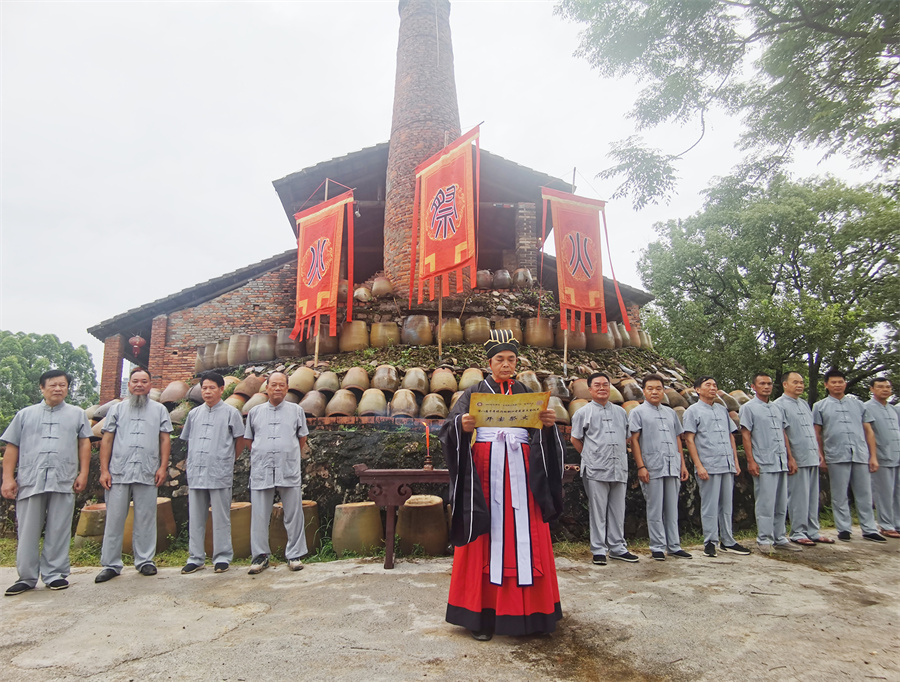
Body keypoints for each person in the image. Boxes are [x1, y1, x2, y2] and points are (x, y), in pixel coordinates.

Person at [441, 329, 565, 641]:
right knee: (486, 534)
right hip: (485, 473)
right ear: (489, 363)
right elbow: (447, 428)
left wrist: (548, 426)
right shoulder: (472, 394)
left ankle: (532, 615)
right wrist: (462, 425)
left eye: (511, 359)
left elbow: (539, 434)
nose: (506, 364)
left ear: (517, 362)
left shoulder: (527, 393)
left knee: (527, 532)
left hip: (523, 473)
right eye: (500, 359)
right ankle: (479, 615)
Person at [1, 370, 92, 596]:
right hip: (30, 479)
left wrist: (83, 473)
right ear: (42, 388)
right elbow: (12, 447)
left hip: (64, 478)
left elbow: (84, 445)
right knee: (28, 529)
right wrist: (8, 478)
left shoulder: (77, 414)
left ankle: (55, 574)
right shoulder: (25, 414)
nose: (58, 389)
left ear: (68, 389)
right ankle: (27, 577)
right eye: (53, 385)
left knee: (59, 528)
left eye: (62, 385)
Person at [95, 367, 173, 583]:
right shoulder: (117, 409)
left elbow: (165, 439)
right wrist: (104, 470)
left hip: (148, 471)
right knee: (114, 518)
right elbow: (107, 440)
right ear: (129, 385)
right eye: (135, 381)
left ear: (150, 385)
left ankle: (145, 561)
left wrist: (162, 467)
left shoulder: (159, 410)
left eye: (144, 381)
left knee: (146, 517)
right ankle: (110, 564)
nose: (139, 385)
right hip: (118, 471)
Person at [179, 372, 245, 574]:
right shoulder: (194, 414)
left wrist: (228, 460)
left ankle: (222, 557)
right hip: (197, 472)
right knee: (196, 516)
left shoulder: (231, 413)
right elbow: (189, 439)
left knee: (221, 516)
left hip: (219, 471)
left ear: (221, 389)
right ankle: (196, 557)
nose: (207, 391)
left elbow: (240, 440)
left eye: (212, 388)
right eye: (204, 388)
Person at [244, 371, 309, 575]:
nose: (278, 388)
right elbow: (248, 440)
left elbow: (302, 438)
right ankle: (260, 556)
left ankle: (295, 554)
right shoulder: (255, 412)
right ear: (267, 387)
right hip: (262, 467)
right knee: (260, 514)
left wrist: (287, 451)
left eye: (282, 385)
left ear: (287, 388)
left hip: (287, 466)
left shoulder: (296, 410)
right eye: (274, 385)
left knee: (293, 512)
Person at [571, 371, 637, 566]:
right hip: (595, 468)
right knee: (598, 510)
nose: (602, 388)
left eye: (605, 385)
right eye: (597, 385)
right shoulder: (583, 412)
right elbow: (575, 438)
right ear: (590, 389)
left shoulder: (620, 412)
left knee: (618, 509)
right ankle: (599, 549)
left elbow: (626, 437)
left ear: (610, 388)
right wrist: (589, 455)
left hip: (619, 467)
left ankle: (618, 547)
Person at [812, 369, 886, 543]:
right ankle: (843, 528)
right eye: (833, 382)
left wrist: (873, 456)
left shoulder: (859, 405)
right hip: (836, 454)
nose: (837, 385)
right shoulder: (820, 406)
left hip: (860, 453)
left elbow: (869, 431)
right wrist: (820, 455)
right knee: (839, 493)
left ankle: (868, 528)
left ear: (845, 383)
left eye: (840, 382)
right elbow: (816, 434)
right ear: (826, 384)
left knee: (865, 493)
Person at [682, 376, 751, 558]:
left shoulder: (722, 410)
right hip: (708, 464)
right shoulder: (692, 411)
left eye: (714, 384)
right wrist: (699, 466)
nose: (712, 388)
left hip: (726, 463)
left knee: (727, 504)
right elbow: (689, 439)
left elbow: (730, 437)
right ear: (697, 390)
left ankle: (728, 540)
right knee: (709, 505)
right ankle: (710, 541)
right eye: (708, 385)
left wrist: (735, 461)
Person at [629, 373, 691, 561]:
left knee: (672, 508)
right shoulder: (637, 412)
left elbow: (677, 439)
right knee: (655, 508)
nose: (654, 392)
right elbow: (634, 441)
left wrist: (682, 464)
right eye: (650, 388)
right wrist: (641, 466)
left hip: (672, 465)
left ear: (663, 391)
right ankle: (657, 546)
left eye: (658, 388)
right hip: (652, 466)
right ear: (644, 391)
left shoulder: (670, 412)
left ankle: (674, 545)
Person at [739, 372, 800, 555]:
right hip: (764, 461)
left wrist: (790, 457)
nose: (766, 387)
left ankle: (780, 537)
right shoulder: (748, 408)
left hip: (780, 460)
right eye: (762, 384)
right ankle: (764, 538)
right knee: (766, 502)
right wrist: (751, 460)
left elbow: (783, 433)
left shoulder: (777, 408)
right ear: (753, 387)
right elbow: (746, 435)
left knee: (781, 502)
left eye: (769, 384)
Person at [775, 372, 833, 546]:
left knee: (813, 496)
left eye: (801, 382)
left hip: (811, 455)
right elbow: (782, 433)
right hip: (797, 457)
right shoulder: (779, 405)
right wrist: (790, 457)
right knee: (798, 496)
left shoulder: (805, 405)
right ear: (785, 384)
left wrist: (818, 452)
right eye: (795, 382)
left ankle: (813, 530)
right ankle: (798, 531)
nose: (799, 385)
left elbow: (811, 431)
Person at [864, 377, 900, 539]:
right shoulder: (867, 408)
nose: (885, 389)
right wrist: (872, 456)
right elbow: (867, 433)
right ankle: (886, 525)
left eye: (887, 387)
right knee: (884, 492)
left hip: (896, 454)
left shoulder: (893, 410)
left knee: (897, 492)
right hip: (881, 456)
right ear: (872, 389)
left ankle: (897, 523)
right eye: (880, 387)